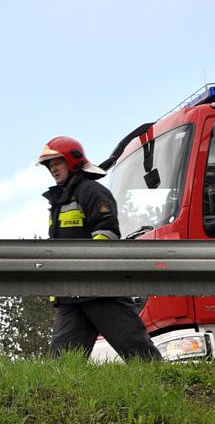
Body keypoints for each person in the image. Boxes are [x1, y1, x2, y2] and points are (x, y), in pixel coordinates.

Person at [38, 136, 162, 361]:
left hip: (101, 291)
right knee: (61, 365)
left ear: (72, 161)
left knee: (140, 355)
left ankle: (166, 391)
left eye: (57, 162)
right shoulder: (59, 201)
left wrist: (87, 268)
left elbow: (107, 234)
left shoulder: (92, 192)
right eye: (50, 165)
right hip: (71, 295)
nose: (53, 169)